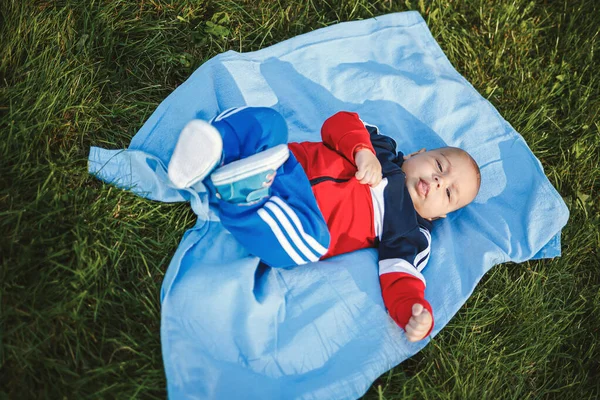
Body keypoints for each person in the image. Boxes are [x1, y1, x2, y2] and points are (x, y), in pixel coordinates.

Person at [167, 106, 481, 342]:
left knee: (311, 243)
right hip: (279, 164)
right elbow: (339, 122)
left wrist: (413, 309)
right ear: (417, 153)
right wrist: (362, 151)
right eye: (440, 165)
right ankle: (211, 147)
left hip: (293, 212)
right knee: (270, 122)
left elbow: (401, 277)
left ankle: (241, 197)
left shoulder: (411, 231)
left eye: (449, 193)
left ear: (438, 216)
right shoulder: (381, 148)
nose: (439, 181)